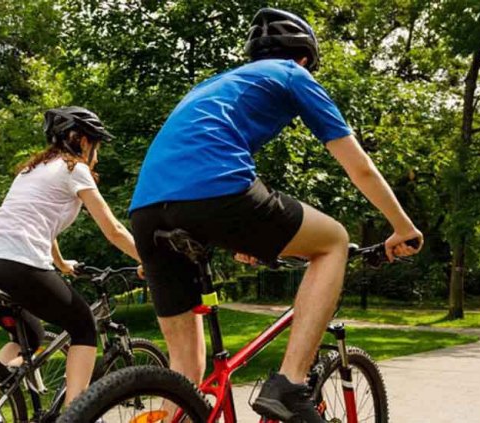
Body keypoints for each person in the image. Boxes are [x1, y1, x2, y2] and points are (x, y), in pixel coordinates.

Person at [128, 8, 423, 423]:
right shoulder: (292, 74)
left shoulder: (212, 86)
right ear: (304, 58)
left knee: (185, 375)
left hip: (145, 211)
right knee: (333, 241)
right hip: (215, 189)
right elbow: (360, 167)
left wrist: (244, 238)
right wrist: (402, 227)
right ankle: (289, 384)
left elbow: (190, 174)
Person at [0, 106, 143, 418]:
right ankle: (77, 414)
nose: (97, 155)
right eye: (97, 146)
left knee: (26, 337)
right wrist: (150, 261)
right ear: (82, 140)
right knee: (83, 325)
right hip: (17, 266)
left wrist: (61, 264)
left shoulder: (31, 170)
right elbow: (113, 230)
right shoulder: (75, 170)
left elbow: (40, 225)